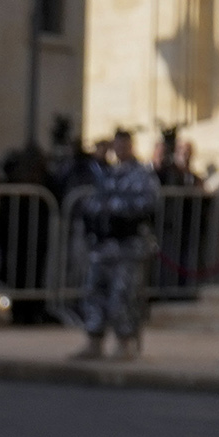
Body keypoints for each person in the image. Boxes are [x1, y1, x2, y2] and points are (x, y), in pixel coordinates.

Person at [70, 132, 160, 359]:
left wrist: (116, 211)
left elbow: (148, 204)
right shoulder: (107, 173)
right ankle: (94, 341)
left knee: (123, 296)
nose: (118, 150)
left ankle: (125, 343)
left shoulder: (141, 175)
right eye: (115, 145)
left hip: (127, 246)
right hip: (103, 246)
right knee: (94, 292)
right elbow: (93, 201)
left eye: (122, 145)